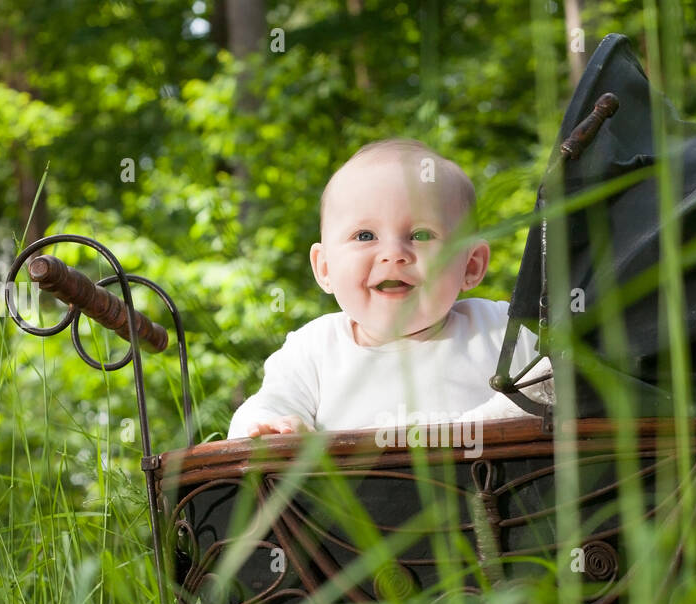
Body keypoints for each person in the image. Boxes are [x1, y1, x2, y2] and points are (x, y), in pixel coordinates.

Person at [227, 138, 550, 440]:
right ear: (324, 268)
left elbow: (560, 382)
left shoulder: (500, 329)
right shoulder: (313, 350)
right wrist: (271, 426)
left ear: (471, 265)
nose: (393, 253)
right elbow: (264, 410)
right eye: (365, 236)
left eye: (421, 235)